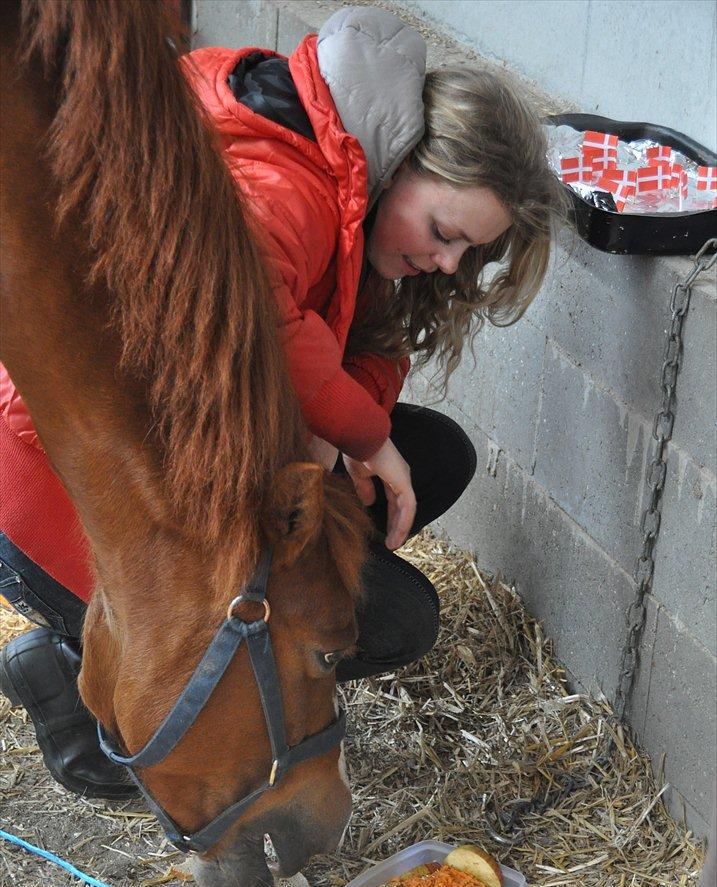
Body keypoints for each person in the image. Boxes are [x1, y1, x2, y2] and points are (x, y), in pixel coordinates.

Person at [0, 6, 564, 799]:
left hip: (164, 477)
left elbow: (365, 350)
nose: (445, 263)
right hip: (69, 506)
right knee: (392, 620)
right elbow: (259, 310)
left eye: (465, 251)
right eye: (444, 231)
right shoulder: (284, 184)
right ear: (398, 162)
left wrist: (346, 438)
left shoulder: (341, 183)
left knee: (434, 458)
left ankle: (81, 647)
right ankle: (83, 670)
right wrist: (363, 435)